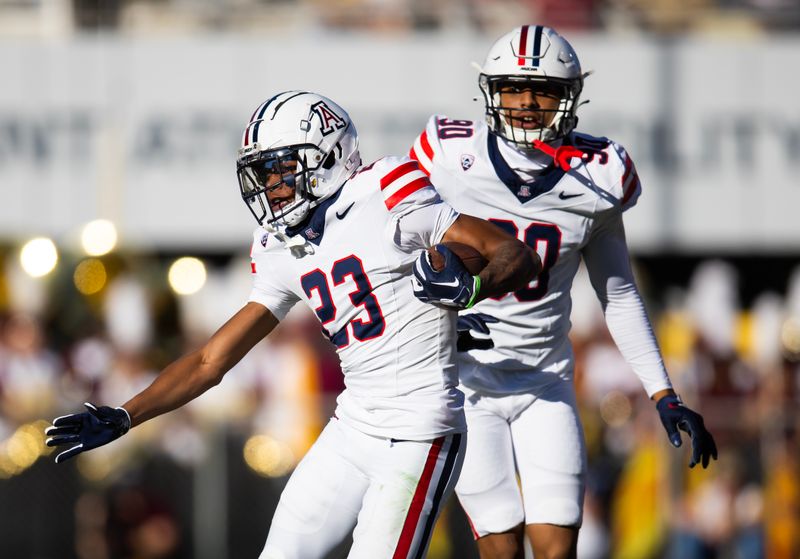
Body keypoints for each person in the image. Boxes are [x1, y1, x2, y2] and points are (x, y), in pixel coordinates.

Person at [45, 91, 539, 559]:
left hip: (420, 433)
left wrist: (472, 288)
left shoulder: (387, 188)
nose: (272, 186)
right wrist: (128, 414)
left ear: (328, 155)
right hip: (352, 429)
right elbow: (210, 360)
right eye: (263, 173)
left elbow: (516, 255)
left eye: (283, 169)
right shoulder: (279, 247)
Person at [408, 26, 718, 559]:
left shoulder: (598, 177)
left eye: (544, 90)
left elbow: (617, 294)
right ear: (490, 92)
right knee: (500, 547)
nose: (527, 102)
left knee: (557, 548)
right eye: (512, 88)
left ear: (569, 96)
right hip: (467, 386)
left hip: (545, 383)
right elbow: (396, 250)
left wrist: (662, 392)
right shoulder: (448, 154)